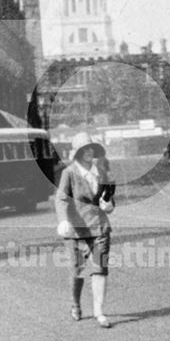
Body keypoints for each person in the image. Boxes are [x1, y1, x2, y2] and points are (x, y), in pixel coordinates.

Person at [55, 132, 115, 328]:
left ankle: (99, 311)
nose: (89, 152)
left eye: (91, 148)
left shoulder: (102, 173)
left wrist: (109, 205)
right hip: (76, 231)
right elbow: (61, 199)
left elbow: (108, 197)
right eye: (84, 149)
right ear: (77, 153)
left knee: (100, 269)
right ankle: (76, 303)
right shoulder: (69, 173)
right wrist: (63, 220)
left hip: (99, 227)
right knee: (76, 272)